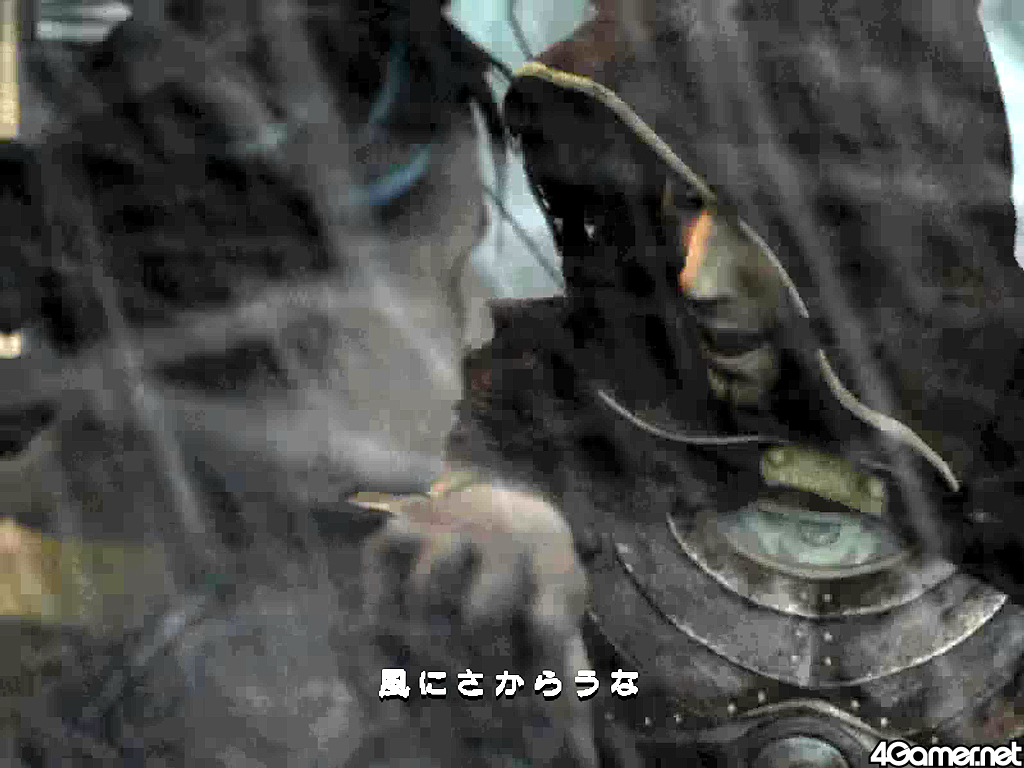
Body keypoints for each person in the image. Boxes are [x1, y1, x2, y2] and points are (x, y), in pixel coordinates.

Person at [375, 0, 1024, 765]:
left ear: (874, 226)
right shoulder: (540, 401)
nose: (694, 273)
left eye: (748, 215)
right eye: (681, 205)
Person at [3, 1, 599, 765]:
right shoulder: (291, 696)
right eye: (449, 272)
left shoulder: (91, 563)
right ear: (288, 315)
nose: (478, 323)